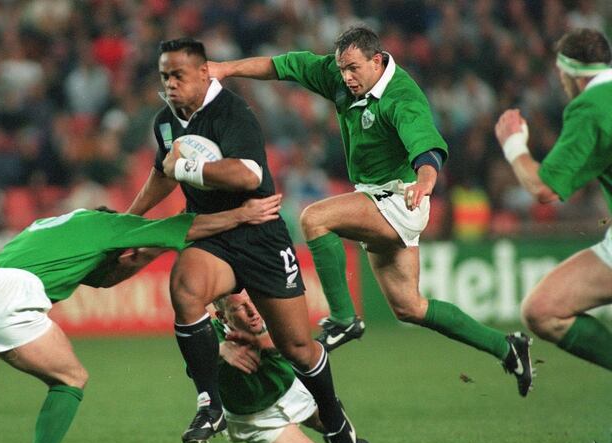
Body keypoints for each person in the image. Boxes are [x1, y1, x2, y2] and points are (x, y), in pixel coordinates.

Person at [208, 27, 533, 396]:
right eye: (342, 68)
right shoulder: (338, 75)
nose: (346, 77)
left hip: (400, 198)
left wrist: (425, 182)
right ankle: (507, 348)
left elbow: (425, 150)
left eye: (354, 68)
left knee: (315, 218)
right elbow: (283, 65)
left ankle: (344, 319)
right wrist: (225, 68)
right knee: (409, 307)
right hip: (375, 196)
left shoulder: (402, 98)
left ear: (377, 61)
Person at [127, 38, 368, 443]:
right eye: (165, 75)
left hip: (261, 236)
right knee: (185, 288)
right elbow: (164, 173)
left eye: (178, 75)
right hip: (215, 233)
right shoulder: (165, 121)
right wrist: (129, 219)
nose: (170, 84)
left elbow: (249, 176)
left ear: (204, 73)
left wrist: (186, 165)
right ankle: (210, 403)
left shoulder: (233, 112)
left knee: (297, 348)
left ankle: (334, 422)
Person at [0, 198, 283, 443]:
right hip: (7, 295)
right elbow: (181, 228)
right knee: (70, 378)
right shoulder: (108, 226)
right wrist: (240, 214)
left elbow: (103, 277)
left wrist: (148, 251)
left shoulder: (50, 226)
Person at [494, 27, 612, 371]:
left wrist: (513, 144)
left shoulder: (591, 107)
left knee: (542, 310)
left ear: (569, 73)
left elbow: (544, 189)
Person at [213, 291, 326, 443]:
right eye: (239, 307)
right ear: (222, 317)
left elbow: (296, 339)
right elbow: (195, 359)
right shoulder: (209, 334)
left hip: (292, 390)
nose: (252, 311)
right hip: (258, 418)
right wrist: (220, 350)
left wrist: (260, 342)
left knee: (333, 423)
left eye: (253, 300)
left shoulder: (271, 313)